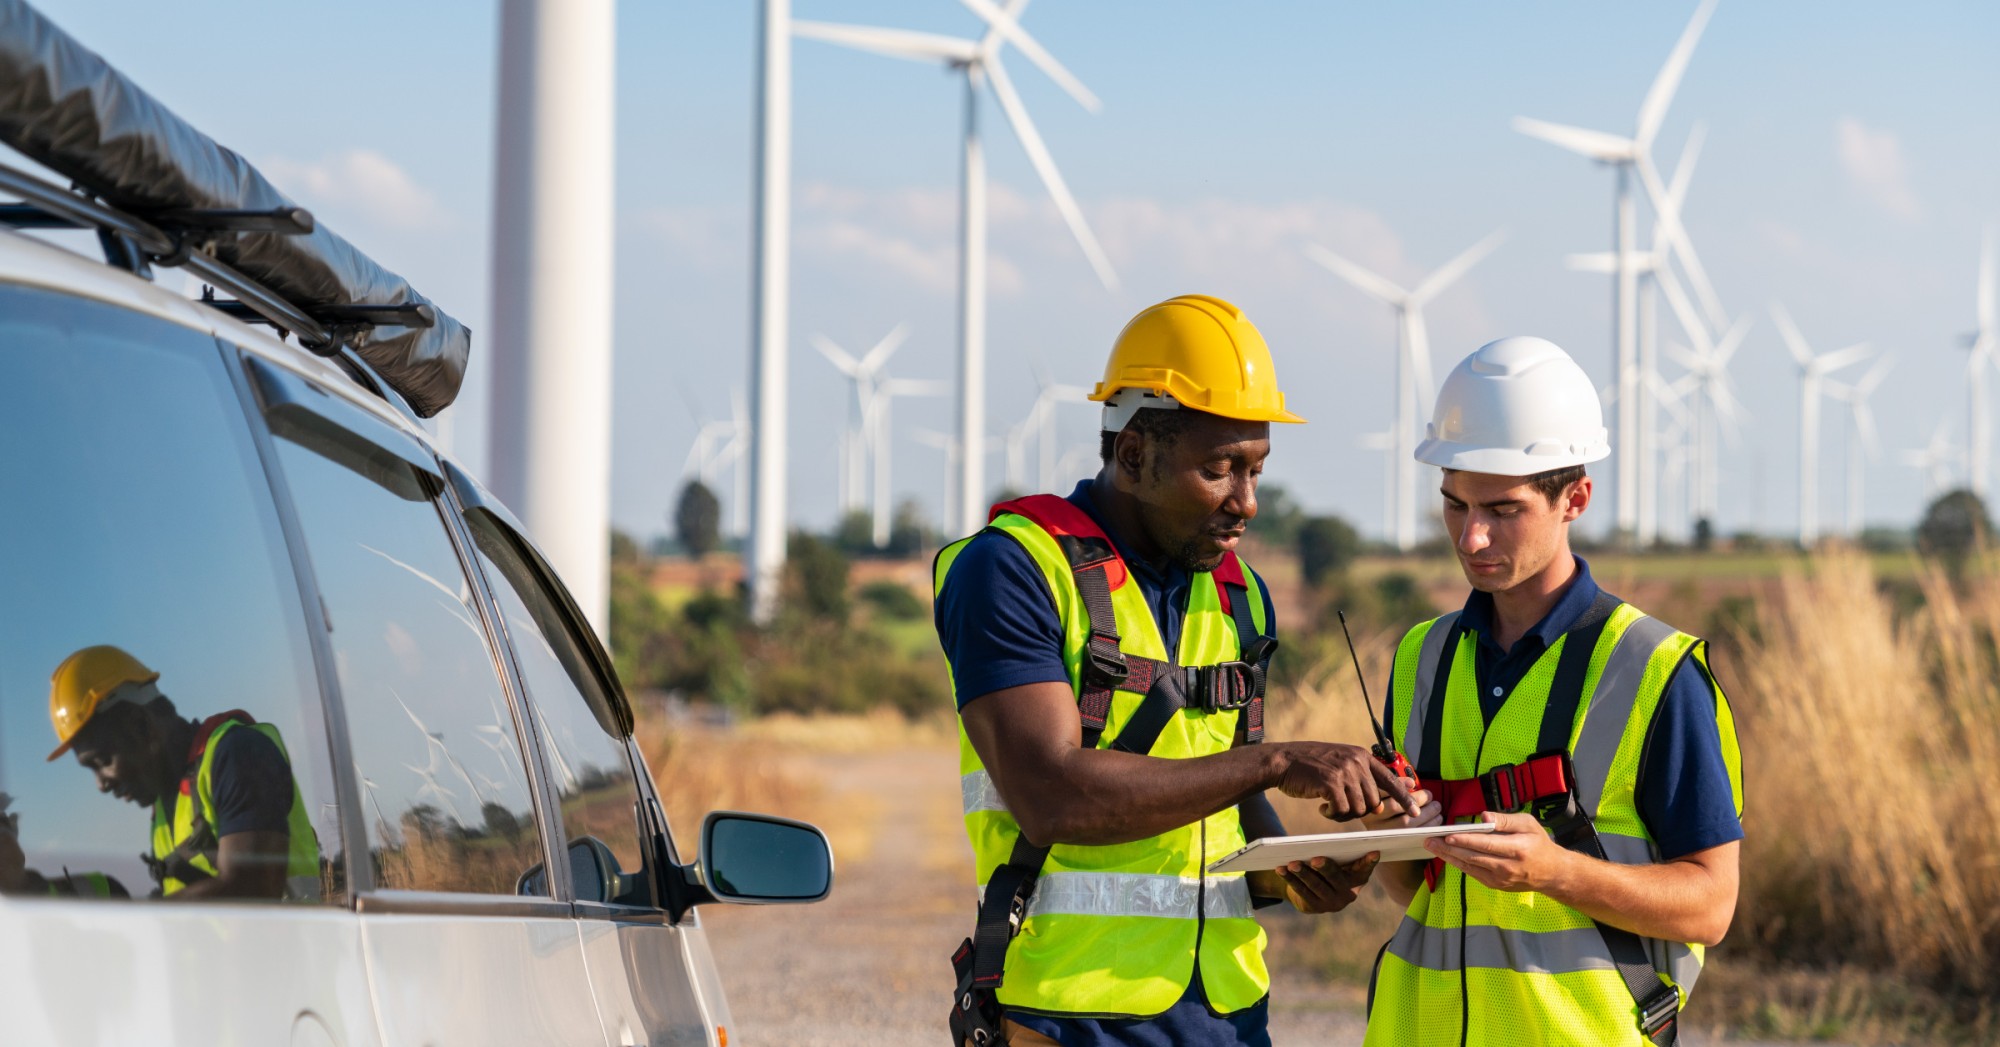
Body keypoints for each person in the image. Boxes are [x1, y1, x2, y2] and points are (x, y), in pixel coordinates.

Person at [934, 294, 1416, 1047]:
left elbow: (1223, 805)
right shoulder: (1013, 568)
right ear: (1134, 455)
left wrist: (1295, 873)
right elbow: (1050, 796)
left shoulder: (1239, 595)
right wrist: (1278, 761)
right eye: (1220, 469)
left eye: (1257, 470)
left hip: (1226, 1013)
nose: (1246, 502)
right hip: (1073, 1012)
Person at [1360, 337, 1744, 1046]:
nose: (1471, 537)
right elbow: (1418, 890)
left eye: (1502, 510)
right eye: (1454, 505)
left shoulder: (1656, 670)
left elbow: (1712, 904)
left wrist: (1557, 871)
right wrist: (1391, 833)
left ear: (1576, 498)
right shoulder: (1423, 656)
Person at [17, 644, 323, 901]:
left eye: (101, 760)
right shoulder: (164, 810)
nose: (100, 784)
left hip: (290, 970)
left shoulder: (237, 753)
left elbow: (252, 890)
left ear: (142, 726)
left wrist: (136, 919)